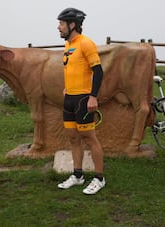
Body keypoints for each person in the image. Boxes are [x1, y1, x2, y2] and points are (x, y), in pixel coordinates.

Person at [56, 8, 105, 195]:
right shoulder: (68, 45)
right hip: (69, 99)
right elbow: (73, 70)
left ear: (72, 24)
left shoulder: (86, 43)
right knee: (73, 138)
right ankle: (78, 175)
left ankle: (99, 178)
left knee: (90, 139)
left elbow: (98, 71)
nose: (58, 27)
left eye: (61, 23)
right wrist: (68, 88)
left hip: (84, 99)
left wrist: (93, 96)